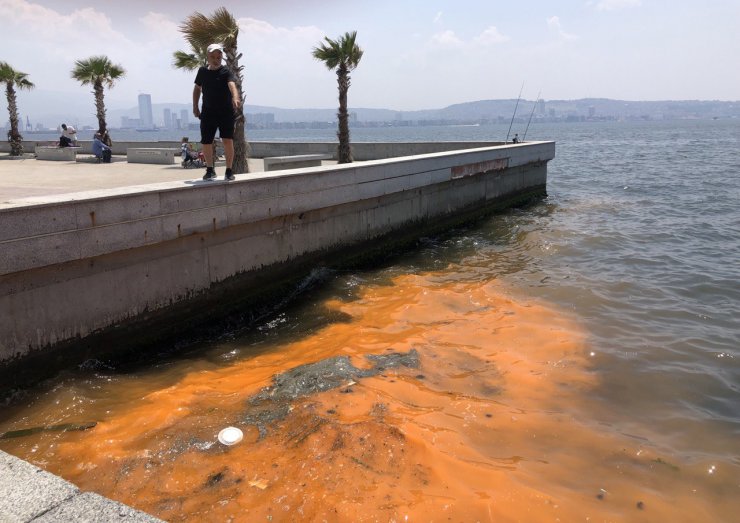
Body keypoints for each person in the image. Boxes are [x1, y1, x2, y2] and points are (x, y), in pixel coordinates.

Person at [192, 43, 241, 181]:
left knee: (227, 140)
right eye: (213, 56)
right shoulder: (202, 71)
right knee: (206, 141)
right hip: (208, 112)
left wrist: (235, 97)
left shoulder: (226, 71)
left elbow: (232, 84)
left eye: (219, 56)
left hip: (225, 112)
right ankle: (210, 170)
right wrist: (195, 106)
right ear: (207, 57)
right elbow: (197, 88)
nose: (216, 59)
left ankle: (229, 170)